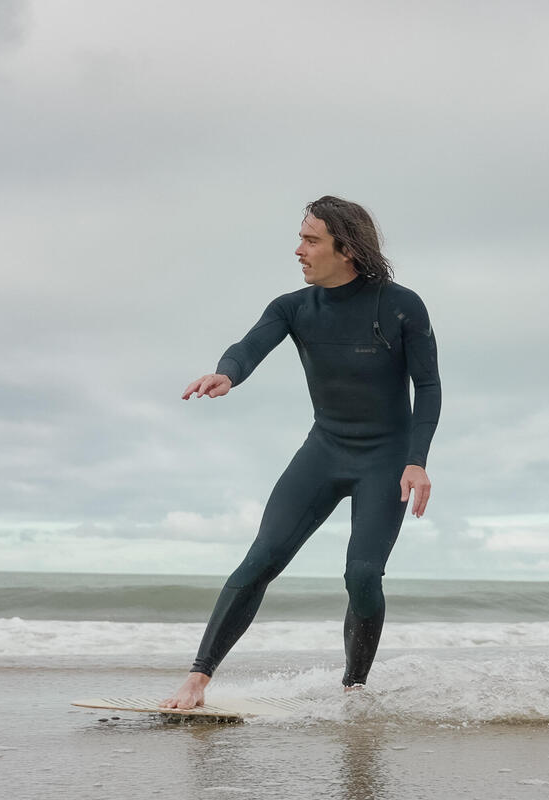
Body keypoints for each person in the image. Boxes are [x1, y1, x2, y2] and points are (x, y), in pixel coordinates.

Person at [161, 195, 441, 710]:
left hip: (387, 457)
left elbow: (428, 385)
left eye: (311, 240)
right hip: (325, 448)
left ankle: (354, 688)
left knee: (361, 573)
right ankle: (197, 679)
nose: (299, 249)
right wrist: (228, 373)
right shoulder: (293, 307)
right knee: (261, 558)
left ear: (348, 249)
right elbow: (249, 345)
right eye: (301, 237)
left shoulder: (401, 305)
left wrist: (417, 460)